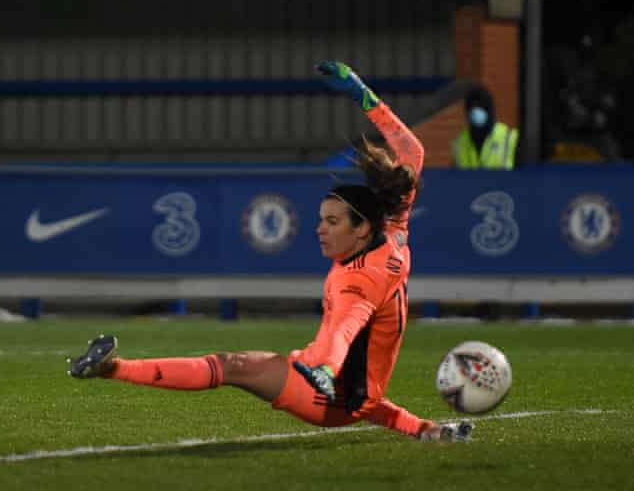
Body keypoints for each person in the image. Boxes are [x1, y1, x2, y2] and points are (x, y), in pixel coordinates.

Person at [67, 61, 472, 443]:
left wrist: (325, 370)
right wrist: (362, 94)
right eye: (321, 218)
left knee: (231, 366)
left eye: (332, 222)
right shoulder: (393, 232)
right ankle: (425, 429)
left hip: (325, 393)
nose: (320, 229)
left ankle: (111, 369)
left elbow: (343, 330)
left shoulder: (360, 279)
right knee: (253, 366)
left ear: (361, 228)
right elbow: (412, 153)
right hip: (348, 389)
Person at [452, 85, 519, 169]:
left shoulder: (510, 139)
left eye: (480, 106)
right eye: (473, 107)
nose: (476, 111)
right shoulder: (460, 143)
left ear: (489, 110)